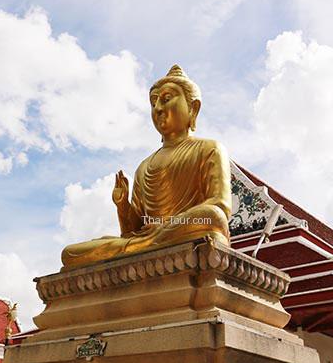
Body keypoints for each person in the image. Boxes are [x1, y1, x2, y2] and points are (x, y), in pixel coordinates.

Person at [61, 64, 231, 268]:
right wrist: (123, 206)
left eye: (167, 99)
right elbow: (133, 229)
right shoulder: (144, 167)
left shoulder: (209, 149)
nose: (158, 108)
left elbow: (220, 205)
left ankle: (145, 246)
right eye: (154, 102)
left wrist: (164, 227)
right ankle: (146, 246)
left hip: (187, 229)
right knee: (69, 253)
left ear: (193, 108)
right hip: (151, 237)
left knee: (212, 216)